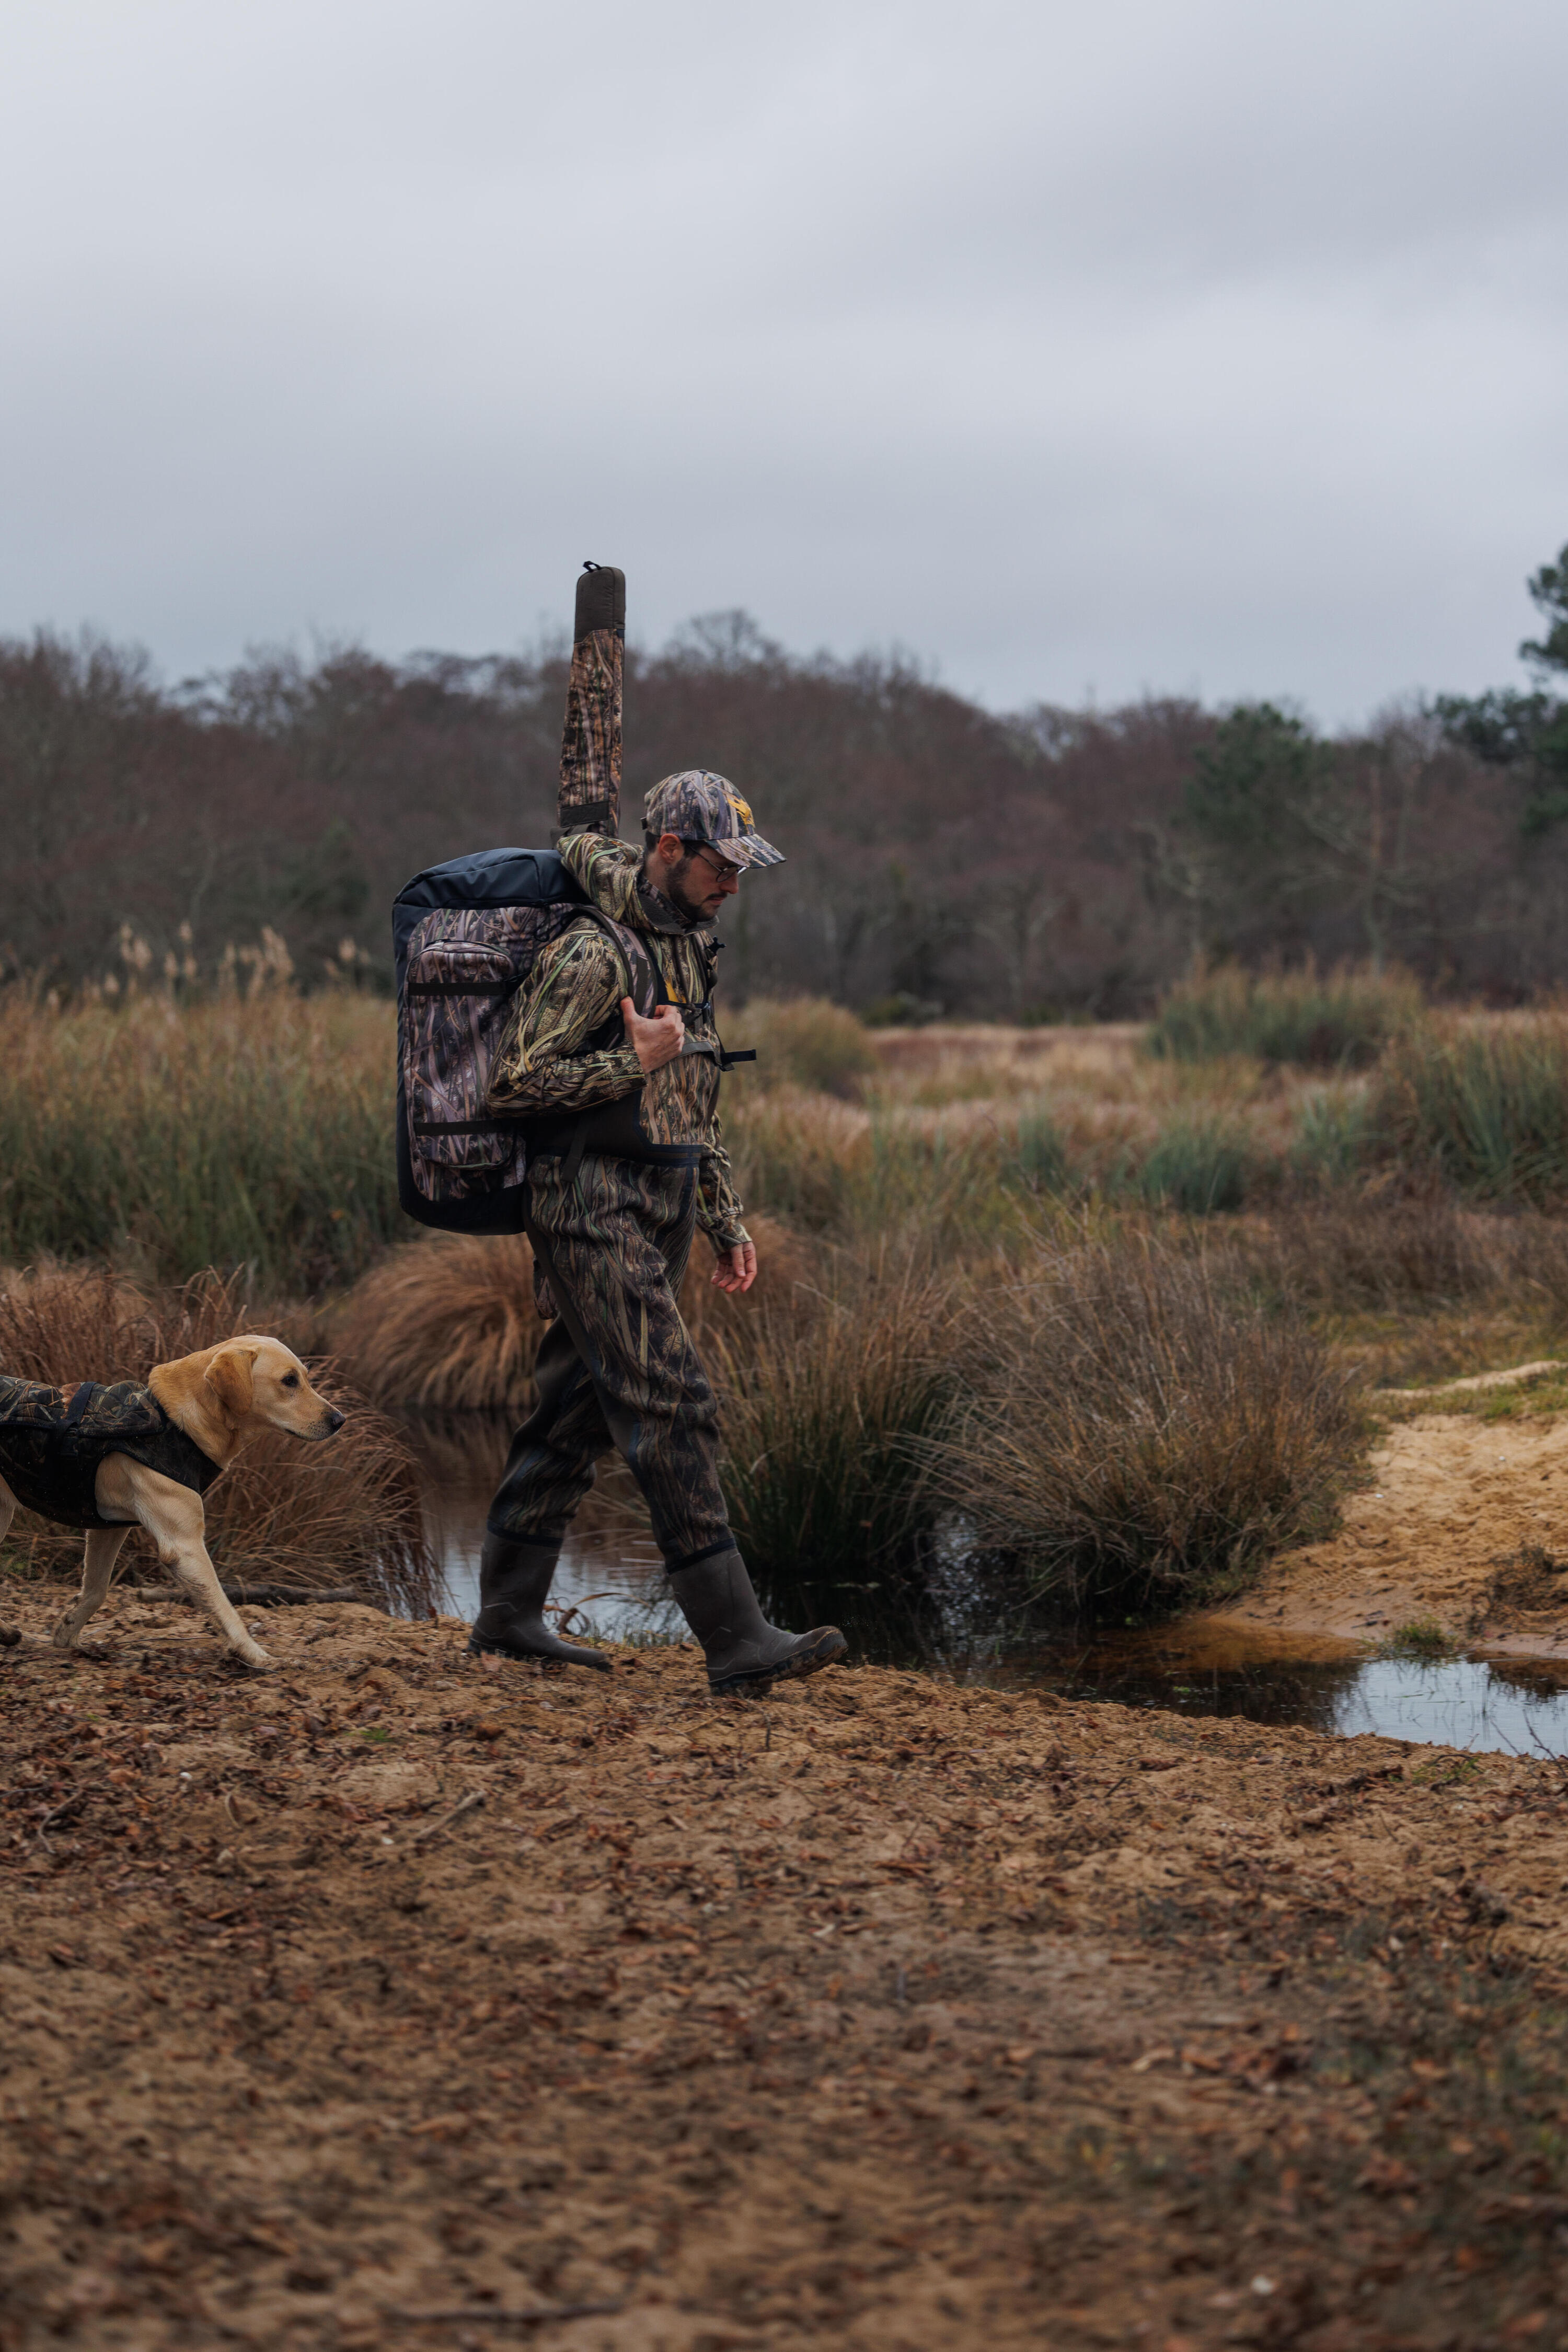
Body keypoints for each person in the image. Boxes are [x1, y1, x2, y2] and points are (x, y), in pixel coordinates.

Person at [470, 770, 846, 1696]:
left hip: (663, 1203)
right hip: (588, 1204)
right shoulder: (594, 953)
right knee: (671, 1401)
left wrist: (724, 1216)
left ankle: (507, 1618)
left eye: (743, 869)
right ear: (669, 850)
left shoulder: (692, 947)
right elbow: (509, 1085)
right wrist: (623, 1059)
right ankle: (738, 1640)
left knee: (575, 1413)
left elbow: (691, 1092)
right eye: (722, 865)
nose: (734, 884)